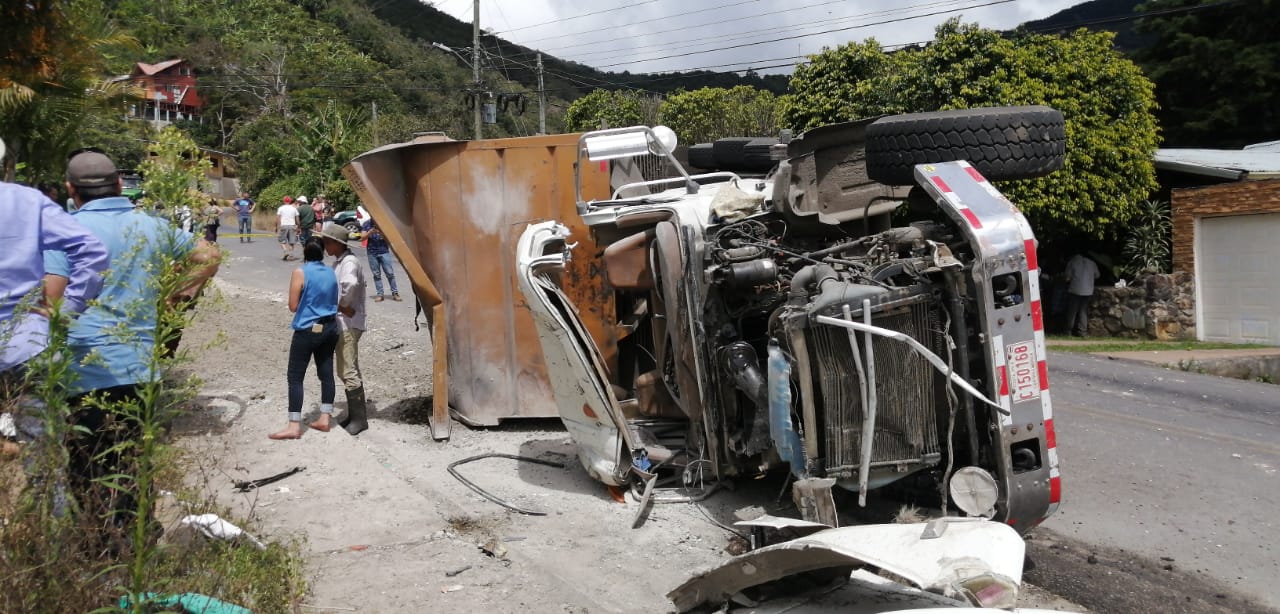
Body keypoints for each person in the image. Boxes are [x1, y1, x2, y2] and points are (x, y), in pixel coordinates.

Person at [44, 148, 220, 534]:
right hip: (142, 368)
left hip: (83, 370)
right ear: (119, 185)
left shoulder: (64, 231)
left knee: (87, 470)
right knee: (134, 464)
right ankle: (137, 542)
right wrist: (178, 299)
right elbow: (207, 254)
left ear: (70, 189)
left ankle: (98, 551)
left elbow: (52, 302)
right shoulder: (153, 226)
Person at [269, 238, 340, 440]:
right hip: (330, 327)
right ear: (323, 252)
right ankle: (325, 417)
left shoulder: (300, 272)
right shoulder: (330, 271)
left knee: (295, 376)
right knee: (326, 373)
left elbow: (293, 306)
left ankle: (294, 425)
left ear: (305, 252)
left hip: (308, 328)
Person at [319, 223, 368, 435]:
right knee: (344, 369)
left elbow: (350, 284)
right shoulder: (340, 262)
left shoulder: (348, 262)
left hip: (349, 323)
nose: (325, 246)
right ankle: (354, 415)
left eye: (327, 242)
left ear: (336, 243)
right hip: (343, 323)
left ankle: (360, 419)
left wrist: (342, 305)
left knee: (348, 369)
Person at [362, 219, 400, 302]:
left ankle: (395, 293)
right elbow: (362, 238)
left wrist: (381, 232)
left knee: (390, 273)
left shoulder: (384, 223)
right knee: (376, 274)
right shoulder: (367, 224)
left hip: (384, 251)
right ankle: (380, 294)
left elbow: (391, 237)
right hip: (372, 252)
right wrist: (370, 232)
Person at [1064, 252, 1101, 337]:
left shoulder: (1072, 262)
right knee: (1083, 311)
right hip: (1088, 291)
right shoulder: (1092, 262)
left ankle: (1069, 331)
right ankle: (1082, 332)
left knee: (1072, 312)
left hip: (1075, 290)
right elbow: (1097, 275)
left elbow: (1067, 278)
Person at [276, 196, 300, 261]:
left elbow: (278, 218)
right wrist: (298, 226)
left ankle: (285, 250)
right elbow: (297, 218)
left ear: (284, 201)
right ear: (290, 201)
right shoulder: (294, 208)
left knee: (282, 240)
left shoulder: (280, 208)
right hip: (292, 225)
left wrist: (278, 227)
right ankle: (291, 255)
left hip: (283, 225)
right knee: (292, 241)